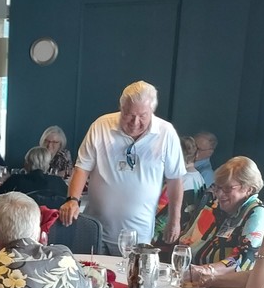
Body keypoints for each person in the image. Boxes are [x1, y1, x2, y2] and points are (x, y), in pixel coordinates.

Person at [58, 81, 187, 252]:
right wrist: (72, 200)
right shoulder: (101, 126)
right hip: (96, 229)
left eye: (142, 116)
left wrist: (174, 219)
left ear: (152, 111)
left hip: (138, 234)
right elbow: (82, 167)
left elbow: (175, 179)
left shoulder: (166, 133)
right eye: (129, 115)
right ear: (121, 108)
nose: (135, 122)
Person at [175, 155, 264, 270]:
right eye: (218, 187)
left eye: (227, 188)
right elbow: (186, 240)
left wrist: (204, 271)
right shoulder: (214, 205)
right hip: (192, 273)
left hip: (222, 280)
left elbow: (243, 261)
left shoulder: (256, 213)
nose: (219, 194)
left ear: (249, 189)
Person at [151, 134, 209, 243]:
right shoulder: (199, 178)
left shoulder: (176, 182)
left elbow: (155, 211)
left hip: (162, 235)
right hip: (184, 233)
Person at [0, 147, 69, 206]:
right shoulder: (59, 182)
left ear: (27, 163)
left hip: (21, 220)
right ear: (48, 165)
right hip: (53, 220)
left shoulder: (15, 180)